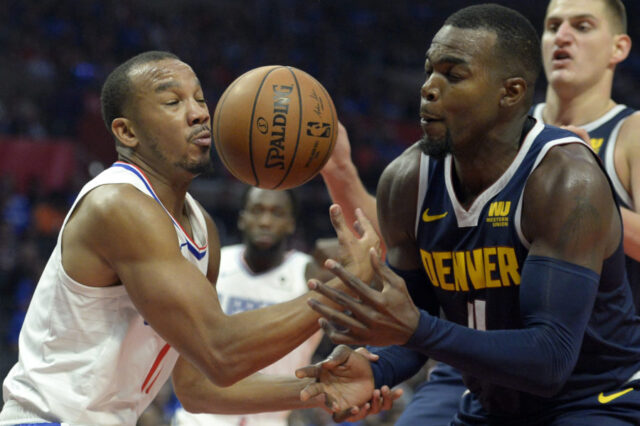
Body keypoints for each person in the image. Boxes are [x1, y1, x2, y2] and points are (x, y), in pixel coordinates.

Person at [0, 50, 396, 426]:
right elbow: (221, 350)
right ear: (127, 131)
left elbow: (198, 388)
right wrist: (346, 283)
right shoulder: (118, 204)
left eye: (200, 99)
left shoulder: (202, 227)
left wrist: (317, 388)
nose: (199, 114)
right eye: (172, 102)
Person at [302, 3, 640, 424]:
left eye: (453, 74)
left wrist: (416, 329)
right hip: (485, 397)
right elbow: (410, 321)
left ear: (511, 92)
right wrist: (373, 369)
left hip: (593, 399)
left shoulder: (566, 180)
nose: (428, 87)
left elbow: (550, 361)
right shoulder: (406, 181)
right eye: (429, 71)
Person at [171, 186, 325, 426]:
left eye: (277, 213)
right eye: (257, 210)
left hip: (270, 420)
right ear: (242, 218)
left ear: (291, 223)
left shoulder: (310, 274)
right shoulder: (215, 263)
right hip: (201, 418)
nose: (265, 221)